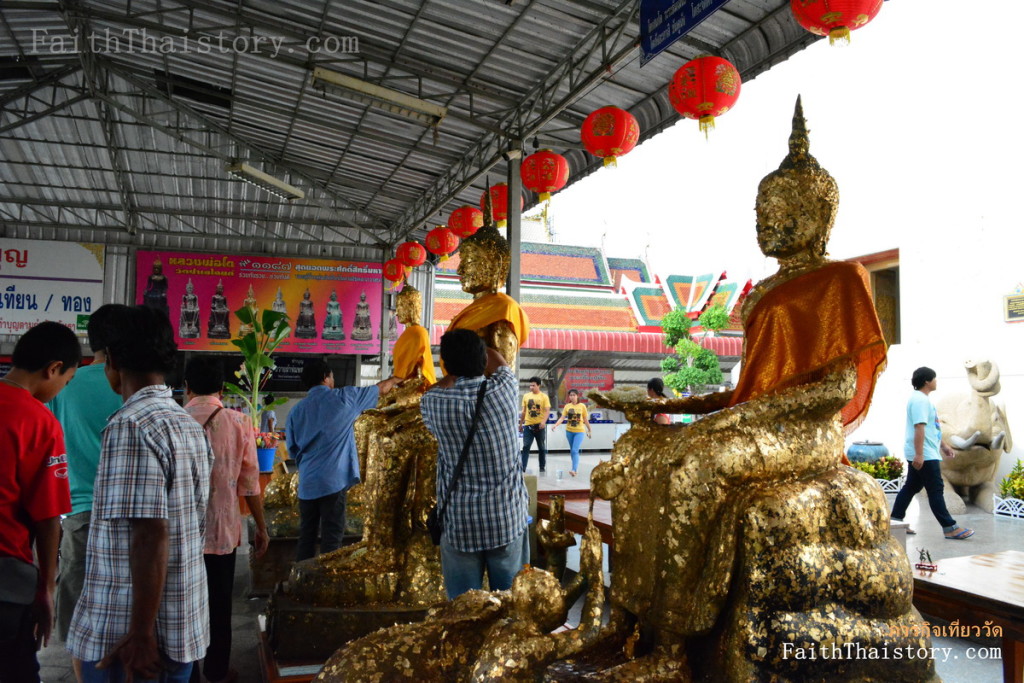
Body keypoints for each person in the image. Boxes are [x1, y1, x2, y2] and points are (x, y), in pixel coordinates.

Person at [67, 306, 213, 683]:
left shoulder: (131, 425)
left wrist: (142, 634)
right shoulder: (186, 424)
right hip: (179, 623)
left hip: (130, 638)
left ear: (111, 360)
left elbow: (150, 533)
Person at [421, 329, 529, 599]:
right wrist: (483, 336)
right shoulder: (504, 390)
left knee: (463, 610)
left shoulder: (433, 403)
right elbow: (500, 363)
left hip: (460, 523)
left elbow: (437, 386)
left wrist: (452, 370)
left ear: (445, 364)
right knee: (510, 606)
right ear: (482, 359)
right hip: (505, 518)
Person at [0, 321, 80, 683]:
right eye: (66, 380)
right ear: (53, 368)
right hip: (6, 581)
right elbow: (48, 518)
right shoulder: (39, 421)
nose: (62, 388)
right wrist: (46, 588)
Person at [48, 305, 125, 679]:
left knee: (80, 613)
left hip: (77, 512)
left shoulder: (65, 383)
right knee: (125, 608)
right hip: (129, 515)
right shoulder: (130, 384)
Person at [183, 356, 270, 683]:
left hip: (183, 533)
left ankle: (187, 672)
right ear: (222, 388)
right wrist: (260, 528)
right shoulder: (239, 422)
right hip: (223, 531)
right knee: (220, 605)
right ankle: (218, 670)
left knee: (184, 605)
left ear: (187, 387)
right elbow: (250, 483)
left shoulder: (176, 419)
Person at [286, 361, 398, 561]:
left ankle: (303, 583)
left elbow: (293, 451)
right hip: (333, 482)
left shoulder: (296, 411)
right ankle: (326, 583)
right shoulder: (344, 399)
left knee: (306, 536)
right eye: (332, 377)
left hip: (308, 484)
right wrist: (399, 376)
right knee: (332, 537)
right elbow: (381, 389)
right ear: (326, 377)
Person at [890, 367, 975, 540]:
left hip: (926, 451)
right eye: (935, 379)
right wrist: (919, 454)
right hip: (925, 454)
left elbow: (931, 428)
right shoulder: (920, 401)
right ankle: (950, 527)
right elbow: (919, 427)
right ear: (927, 381)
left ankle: (895, 522)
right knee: (936, 489)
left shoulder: (922, 399)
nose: (937, 382)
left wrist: (943, 446)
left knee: (912, 486)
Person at [550, 390, 590, 476]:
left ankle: (574, 469)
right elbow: (562, 418)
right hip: (569, 431)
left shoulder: (582, 406)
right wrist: (555, 425)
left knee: (575, 450)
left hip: (579, 432)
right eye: (570, 395)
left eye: (573, 395)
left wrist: (589, 429)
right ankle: (574, 469)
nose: (572, 397)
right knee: (572, 451)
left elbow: (585, 419)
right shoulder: (567, 406)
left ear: (577, 396)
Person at [519, 377, 550, 472]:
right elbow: (523, 412)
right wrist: (520, 424)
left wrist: (543, 422)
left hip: (539, 426)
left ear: (538, 385)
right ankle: (523, 467)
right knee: (526, 446)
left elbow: (547, 410)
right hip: (528, 426)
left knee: (541, 447)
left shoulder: (544, 397)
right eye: (530, 385)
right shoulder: (526, 396)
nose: (531, 387)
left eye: (533, 385)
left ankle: (542, 466)